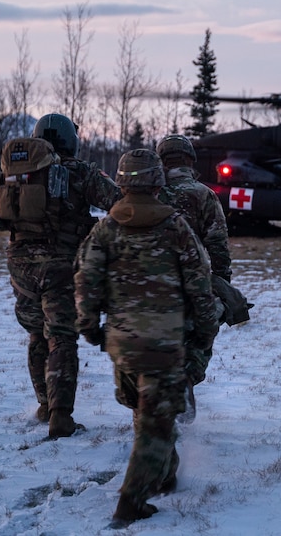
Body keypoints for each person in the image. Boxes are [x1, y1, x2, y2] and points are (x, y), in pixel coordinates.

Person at [74, 149, 218, 525]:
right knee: (156, 424)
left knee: (151, 413)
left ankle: (166, 477)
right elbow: (200, 285)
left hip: (121, 344)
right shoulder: (175, 227)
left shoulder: (105, 228)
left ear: (121, 182)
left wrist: (90, 327)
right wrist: (205, 330)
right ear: (157, 181)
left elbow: (85, 279)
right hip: (164, 343)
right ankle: (130, 502)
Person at [0, 113, 121, 439]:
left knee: (36, 335)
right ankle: (61, 416)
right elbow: (118, 203)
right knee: (61, 336)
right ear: (71, 139)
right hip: (62, 267)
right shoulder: (81, 172)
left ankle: (46, 405)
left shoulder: (15, 172)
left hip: (20, 266)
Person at [156, 133, 230, 418]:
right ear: (190, 159)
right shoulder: (203, 194)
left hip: (149, 283)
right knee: (202, 331)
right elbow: (218, 244)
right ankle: (187, 376)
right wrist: (222, 284)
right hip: (193, 283)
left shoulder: (149, 192)